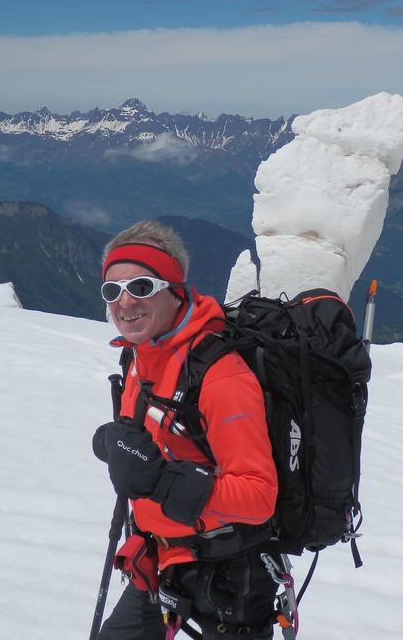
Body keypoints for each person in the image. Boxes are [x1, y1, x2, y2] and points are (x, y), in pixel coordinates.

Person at [91, 221, 279, 640]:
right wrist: (113, 442)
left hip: (228, 579)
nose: (124, 302)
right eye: (112, 290)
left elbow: (259, 497)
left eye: (141, 287)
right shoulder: (140, 356)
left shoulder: (220, 375)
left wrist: (161, 481)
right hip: (161, 560)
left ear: (174, 290)